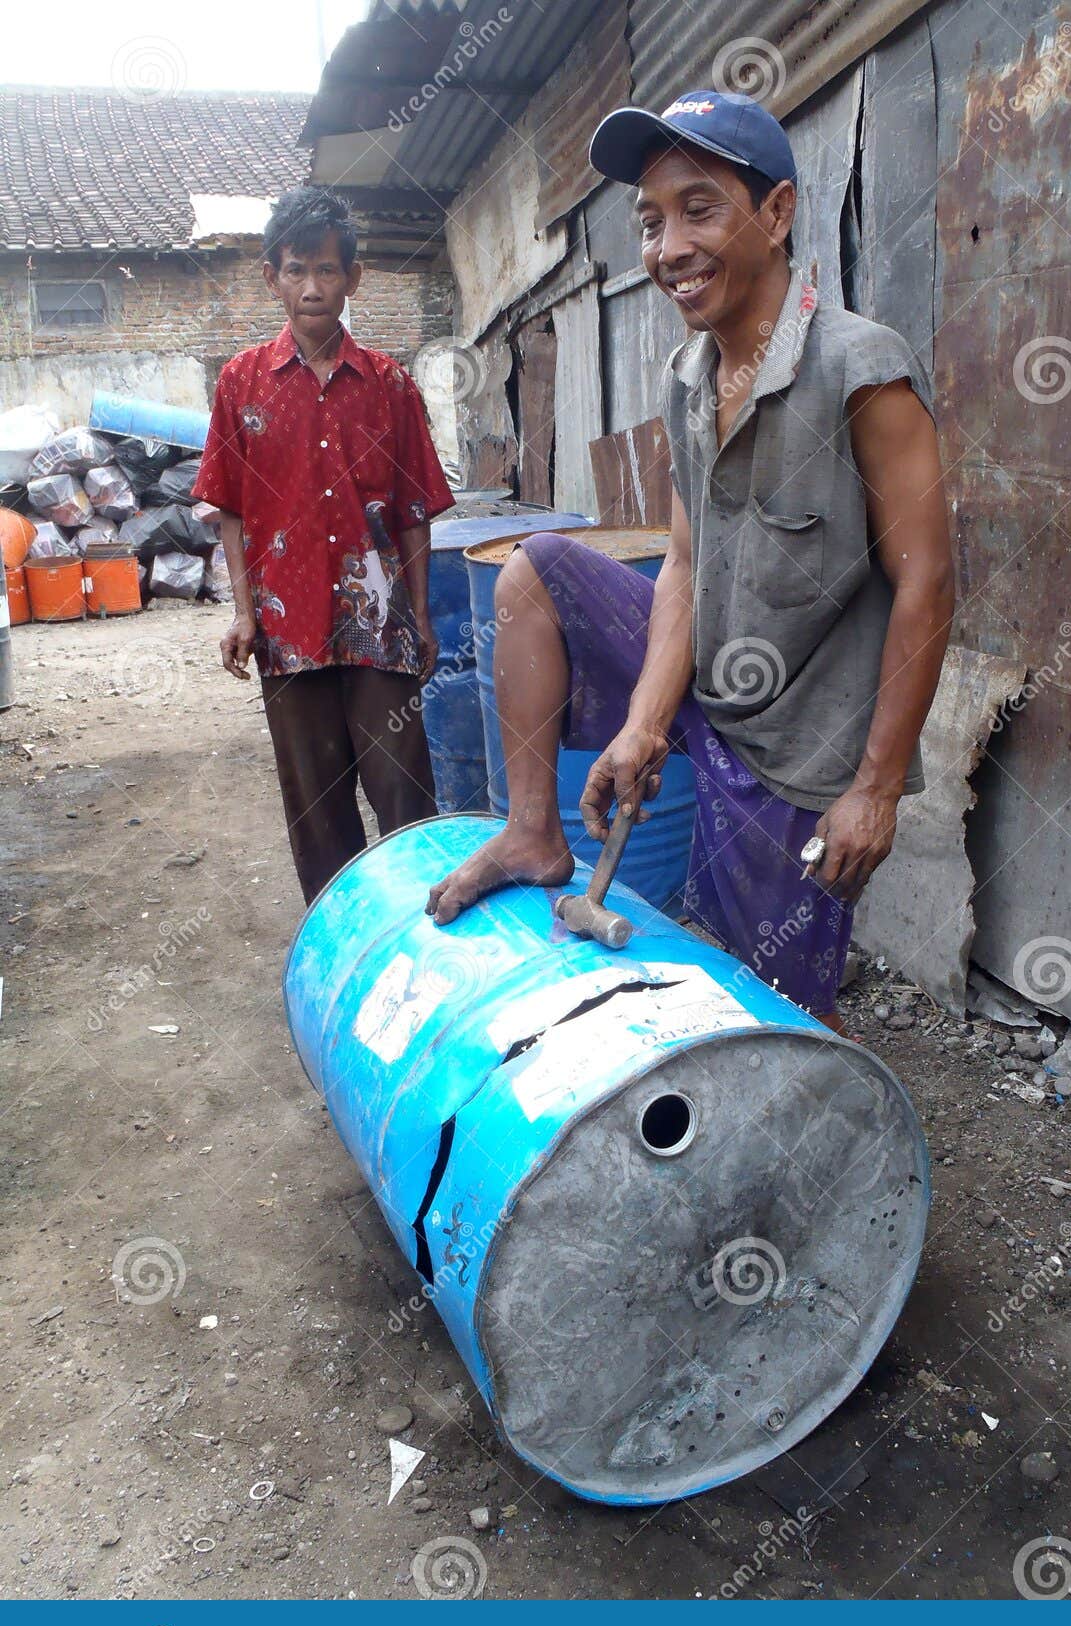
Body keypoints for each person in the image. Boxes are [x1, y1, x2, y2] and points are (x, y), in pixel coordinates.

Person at [426, 91, 954, 1031]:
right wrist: (642, 726)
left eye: (699, 210)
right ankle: (533, 833)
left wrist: (874, 790)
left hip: (800, 754)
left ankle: (806, 1096)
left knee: (770, 1016)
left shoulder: (861, 370)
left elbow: (929, 584)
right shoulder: (687, 378)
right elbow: (682, 565)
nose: (669, 248)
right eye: (651, 221)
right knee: (533, 570)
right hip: (709, 694)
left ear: (777, 214)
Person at [194, 186, 454, 904]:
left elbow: (413, 512)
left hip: (381, 629)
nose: (313, 287)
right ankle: (342, 941)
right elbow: (231, 511)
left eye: (328, 270)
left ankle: (424, 931)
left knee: (405, 795)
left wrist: (421, 615)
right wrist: (244, 614)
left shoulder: (390, 385)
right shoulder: (241, 383)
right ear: (272, 277)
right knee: (317, 812)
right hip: (288, 631)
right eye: (297, 270)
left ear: (353, 279)